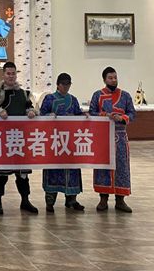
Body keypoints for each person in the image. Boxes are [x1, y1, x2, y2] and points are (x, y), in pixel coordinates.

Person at [0, 61, 38, 215]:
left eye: (13, 74)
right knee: (0, 174)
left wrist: (31, 111)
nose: (11, 76)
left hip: (20, 139)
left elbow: (29, 106)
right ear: (3, 74)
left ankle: (25, 200)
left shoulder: (23, 93)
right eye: (8, 73)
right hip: (3, 140)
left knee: (23, 174)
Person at [89, 66, 136, 213]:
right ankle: (103, 199)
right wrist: (105, 115)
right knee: (103, 167)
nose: (113, 80)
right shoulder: (97, 95)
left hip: (120, 137)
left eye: (115, 77)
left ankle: (120, 200)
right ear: (104, 79)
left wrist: (122, 118)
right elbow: (92, 113)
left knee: (121, 167)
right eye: (110, 78)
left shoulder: (125, 96)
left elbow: (132, 114)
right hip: (103, 137)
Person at [40, 73, 87, 213]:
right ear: (58, 85)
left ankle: (71, 199)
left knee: (72, 170)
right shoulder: (49, 99)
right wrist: (48, 116)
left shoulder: (73, 100)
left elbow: (78, 114)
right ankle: (50, 202)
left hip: (71, 142)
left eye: (68, 84)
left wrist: (83, 116)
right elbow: (41, 115)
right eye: (63, 84)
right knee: (53, 170)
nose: (66, 87)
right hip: (54, 142)